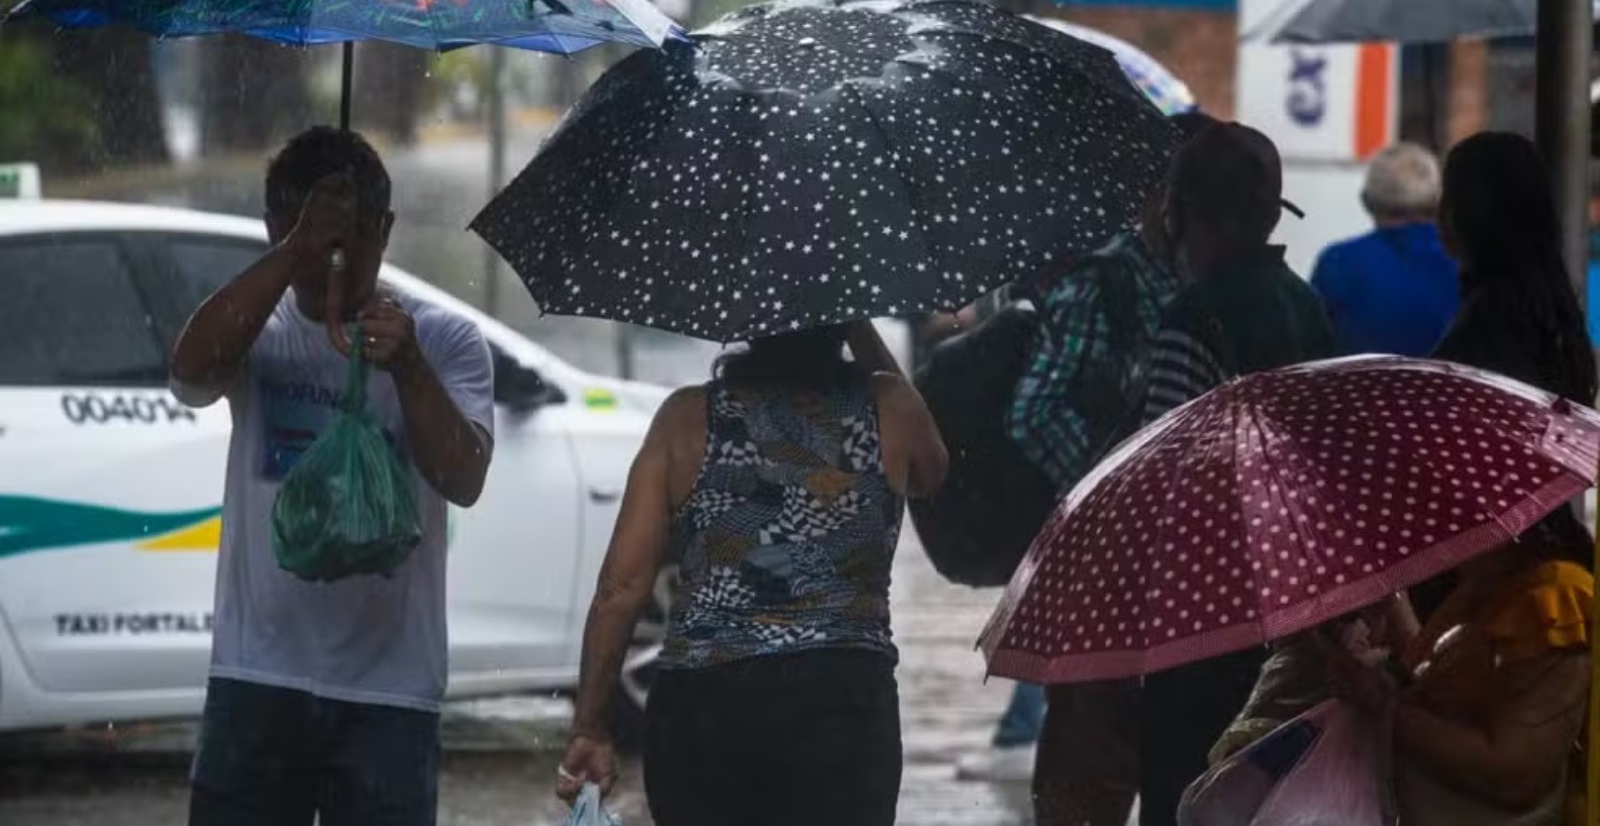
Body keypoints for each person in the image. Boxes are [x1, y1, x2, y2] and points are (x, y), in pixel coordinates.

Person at [170, 127, 496, 826]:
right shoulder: (261, 328)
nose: (333, 261)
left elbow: (464, 478)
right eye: (311, 239)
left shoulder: (444, 340)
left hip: (390, 692)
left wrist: (409, 368)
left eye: (350, 239)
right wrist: (294, 253)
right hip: (258, 674)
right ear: (273, 228)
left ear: (385, 231)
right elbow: (190, 376)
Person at [555, 322, 946, 826]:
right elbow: (933, 471)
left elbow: (621, 589)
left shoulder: (685, 419)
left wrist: (590, 726)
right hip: (843, 700)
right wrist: (861, 331)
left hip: (706, 706)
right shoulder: (890, 406)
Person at [1327, 132, 1595, 826]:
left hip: (1488, 569)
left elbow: (1506, 769)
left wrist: (1382, 702)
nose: (1441, 218)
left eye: (1453, 201)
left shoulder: (1488, 327)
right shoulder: (1555, 314)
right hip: (1492, 563)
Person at [979, 114, 1215, 810]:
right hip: (1106, 564)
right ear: (1159, 197)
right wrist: (1107, 493)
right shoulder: (1102, 282)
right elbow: (1033, 411)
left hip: (1194, 564)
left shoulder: (1212, 282)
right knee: (1091, 761)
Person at [1135, 121, 1335, 826]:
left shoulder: (1192, 317)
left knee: (1185, 789)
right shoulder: (1306, 306)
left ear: (1189, 216)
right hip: (1292, 601)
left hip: (1201, 605)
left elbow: (1160, 472)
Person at [1310, 142, 1459, 356]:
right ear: (1439, 200)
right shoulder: (1472, 264)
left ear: (1366, 202)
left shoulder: (1338, 263)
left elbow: (1312, 357)